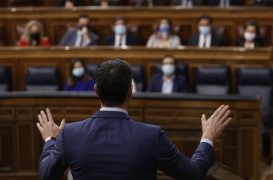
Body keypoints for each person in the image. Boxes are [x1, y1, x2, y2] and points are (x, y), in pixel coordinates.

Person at [37, 59, 233, 180]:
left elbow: (47, 175)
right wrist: (207, 137)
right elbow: (193, 173)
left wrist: (50, 140)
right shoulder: (151, 135)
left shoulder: (70, 134)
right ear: (131, 91)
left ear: (96, 90)